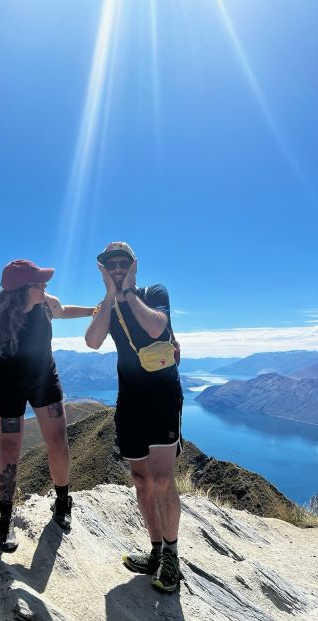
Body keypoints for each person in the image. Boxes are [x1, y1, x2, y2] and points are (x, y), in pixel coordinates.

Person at [0, 259, 94, 553]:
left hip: (43, 380)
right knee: (9, 451)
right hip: (7, 385)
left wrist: (94, 311)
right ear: (22, 289)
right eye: (39, 283)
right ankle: (6, 521)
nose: (45, 286)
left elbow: (63, 312)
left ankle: (63, 502)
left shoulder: (47, 304)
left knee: (58, 442)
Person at [85, 242, 183, 592]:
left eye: (122, 263)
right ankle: (155, 551)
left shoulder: (154, 293)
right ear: (103, 269)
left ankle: (172, 555)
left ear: (133, 264)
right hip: (129, 401)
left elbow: (157, 328)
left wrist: (127, 292)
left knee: (162, 479)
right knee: (141, 480)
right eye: (109, 265)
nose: (116, 268)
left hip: (162, 399)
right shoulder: (107, 306)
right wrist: (110, 298)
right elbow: (92, 341)